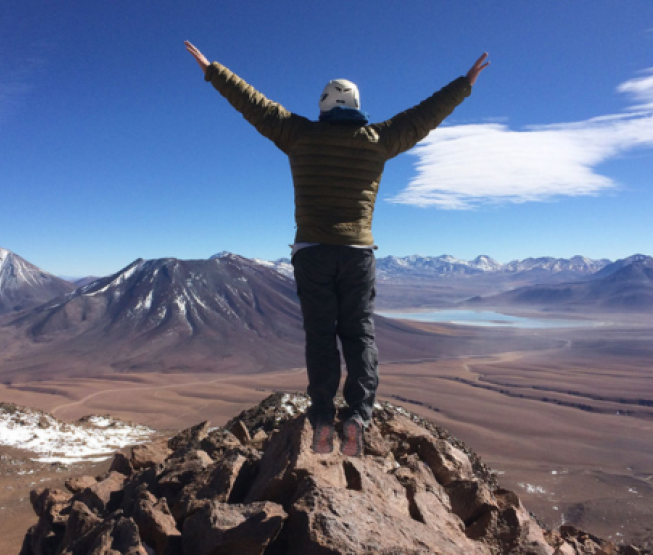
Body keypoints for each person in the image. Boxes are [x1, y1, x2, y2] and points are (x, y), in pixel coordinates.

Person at [185, 41, 489, 456]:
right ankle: (359, 417)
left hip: (311, 253)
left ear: (324, 106)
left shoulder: (298, 135)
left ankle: (324, 416)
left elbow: (253, 103)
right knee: (359, 332)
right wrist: (463, 85)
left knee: (321, 335)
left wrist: (213, 70)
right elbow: (424, 117)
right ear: (357, 105)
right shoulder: (378, 139)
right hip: (357, 253)